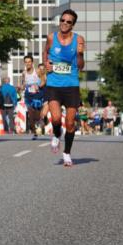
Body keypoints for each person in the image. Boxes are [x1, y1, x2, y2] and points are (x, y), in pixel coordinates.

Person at [44, 9, 85, 167]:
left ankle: (67, 153)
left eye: (68, 22)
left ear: (72, 25)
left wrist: (80, 55)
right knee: (55, 118)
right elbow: (45, 52)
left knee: (69, 123)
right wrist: (46, 64)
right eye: (62, 20)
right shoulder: (51, 37)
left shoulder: (79, 40)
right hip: (54, 84)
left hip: (71, 85)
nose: (64, 23)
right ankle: (56, 133)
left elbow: (80, 66)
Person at [21, 55, 44, 140]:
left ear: (32, 62)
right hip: (28, 96)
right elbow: (23, 83)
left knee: (36, 116)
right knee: (30, 115)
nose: (28, 63)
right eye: (26, 62)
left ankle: (40, 121)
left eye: (29, 62)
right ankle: (34, 132)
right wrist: (21, 87)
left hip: (37, 95)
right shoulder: (24, 73)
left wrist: (39, 86)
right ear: (24, 63)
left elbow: (44, 81)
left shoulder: (37, 71)